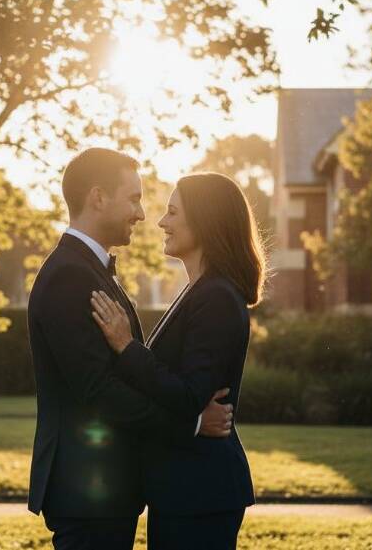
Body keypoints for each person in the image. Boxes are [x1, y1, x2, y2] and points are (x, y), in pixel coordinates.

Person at [27, 149, 234, 550]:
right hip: (87, 490)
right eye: (134, 199)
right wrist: (191, 424)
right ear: (98, 197)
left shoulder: (89, 269)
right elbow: (98, 391)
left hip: (102, 490)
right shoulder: (70, 275)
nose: (142, 214)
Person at [90, 171, 265, 550]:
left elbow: (189, 396)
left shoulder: (216, 297)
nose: (161, 222)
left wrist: (126, 346)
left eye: (172, 212)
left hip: (201, 492)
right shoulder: (199, 290)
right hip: (185, 489)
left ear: (204, 220)